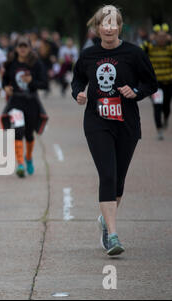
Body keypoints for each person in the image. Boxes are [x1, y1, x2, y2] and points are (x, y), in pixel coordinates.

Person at [71, 5, 158, 256]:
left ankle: (104, 221)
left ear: (119, 26)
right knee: (107, 176)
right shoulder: (88, 55)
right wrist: (77, 92)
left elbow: (150, 83)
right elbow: (77, 78)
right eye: (104, 23)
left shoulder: (134, 54)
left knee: (118, 180)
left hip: (127, 123)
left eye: (113, 23)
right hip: (97, 122)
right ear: (97, 27)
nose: (108, 28)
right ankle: (113, 235)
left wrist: (137, 92)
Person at [2, 35, 48, 177]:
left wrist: (31, 81)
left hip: (32, 102)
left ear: (30, 48)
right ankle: (20, 163)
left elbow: (44, 84)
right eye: (20, 46)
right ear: (16, 48)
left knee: (29, 133)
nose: (22, 49)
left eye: (25, 46)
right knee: (18, 130)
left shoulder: (36, 64)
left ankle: (28, 157)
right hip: (16, 101)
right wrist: (6, 87)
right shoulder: (11, 63)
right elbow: (5, 80)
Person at [141, 23, 172, 140]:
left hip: (168, 82)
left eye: (164, 37)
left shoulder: (169, 47)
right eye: (159, 37)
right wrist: (149, 40)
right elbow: (140, 50)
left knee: (166, 107)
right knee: (157, 106)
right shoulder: (150, 47)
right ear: (155, 37)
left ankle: (166, 118)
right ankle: (159, 130)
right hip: (156, 84)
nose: (162, 39)